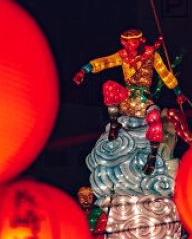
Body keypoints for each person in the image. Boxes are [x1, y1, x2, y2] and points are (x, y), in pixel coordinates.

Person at [73, 29, 186, 174]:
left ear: (141, 41)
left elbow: (166, 75)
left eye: (132, 42)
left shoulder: (152, 56)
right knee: (109, 86)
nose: (129, 47)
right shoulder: (122, 56)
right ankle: (114, 124)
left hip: (144, 100)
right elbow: (104, 62)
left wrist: (178, 93)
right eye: (125, 43)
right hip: (126, 99)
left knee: (155, 119)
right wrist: (84, 71)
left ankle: (152, 159)